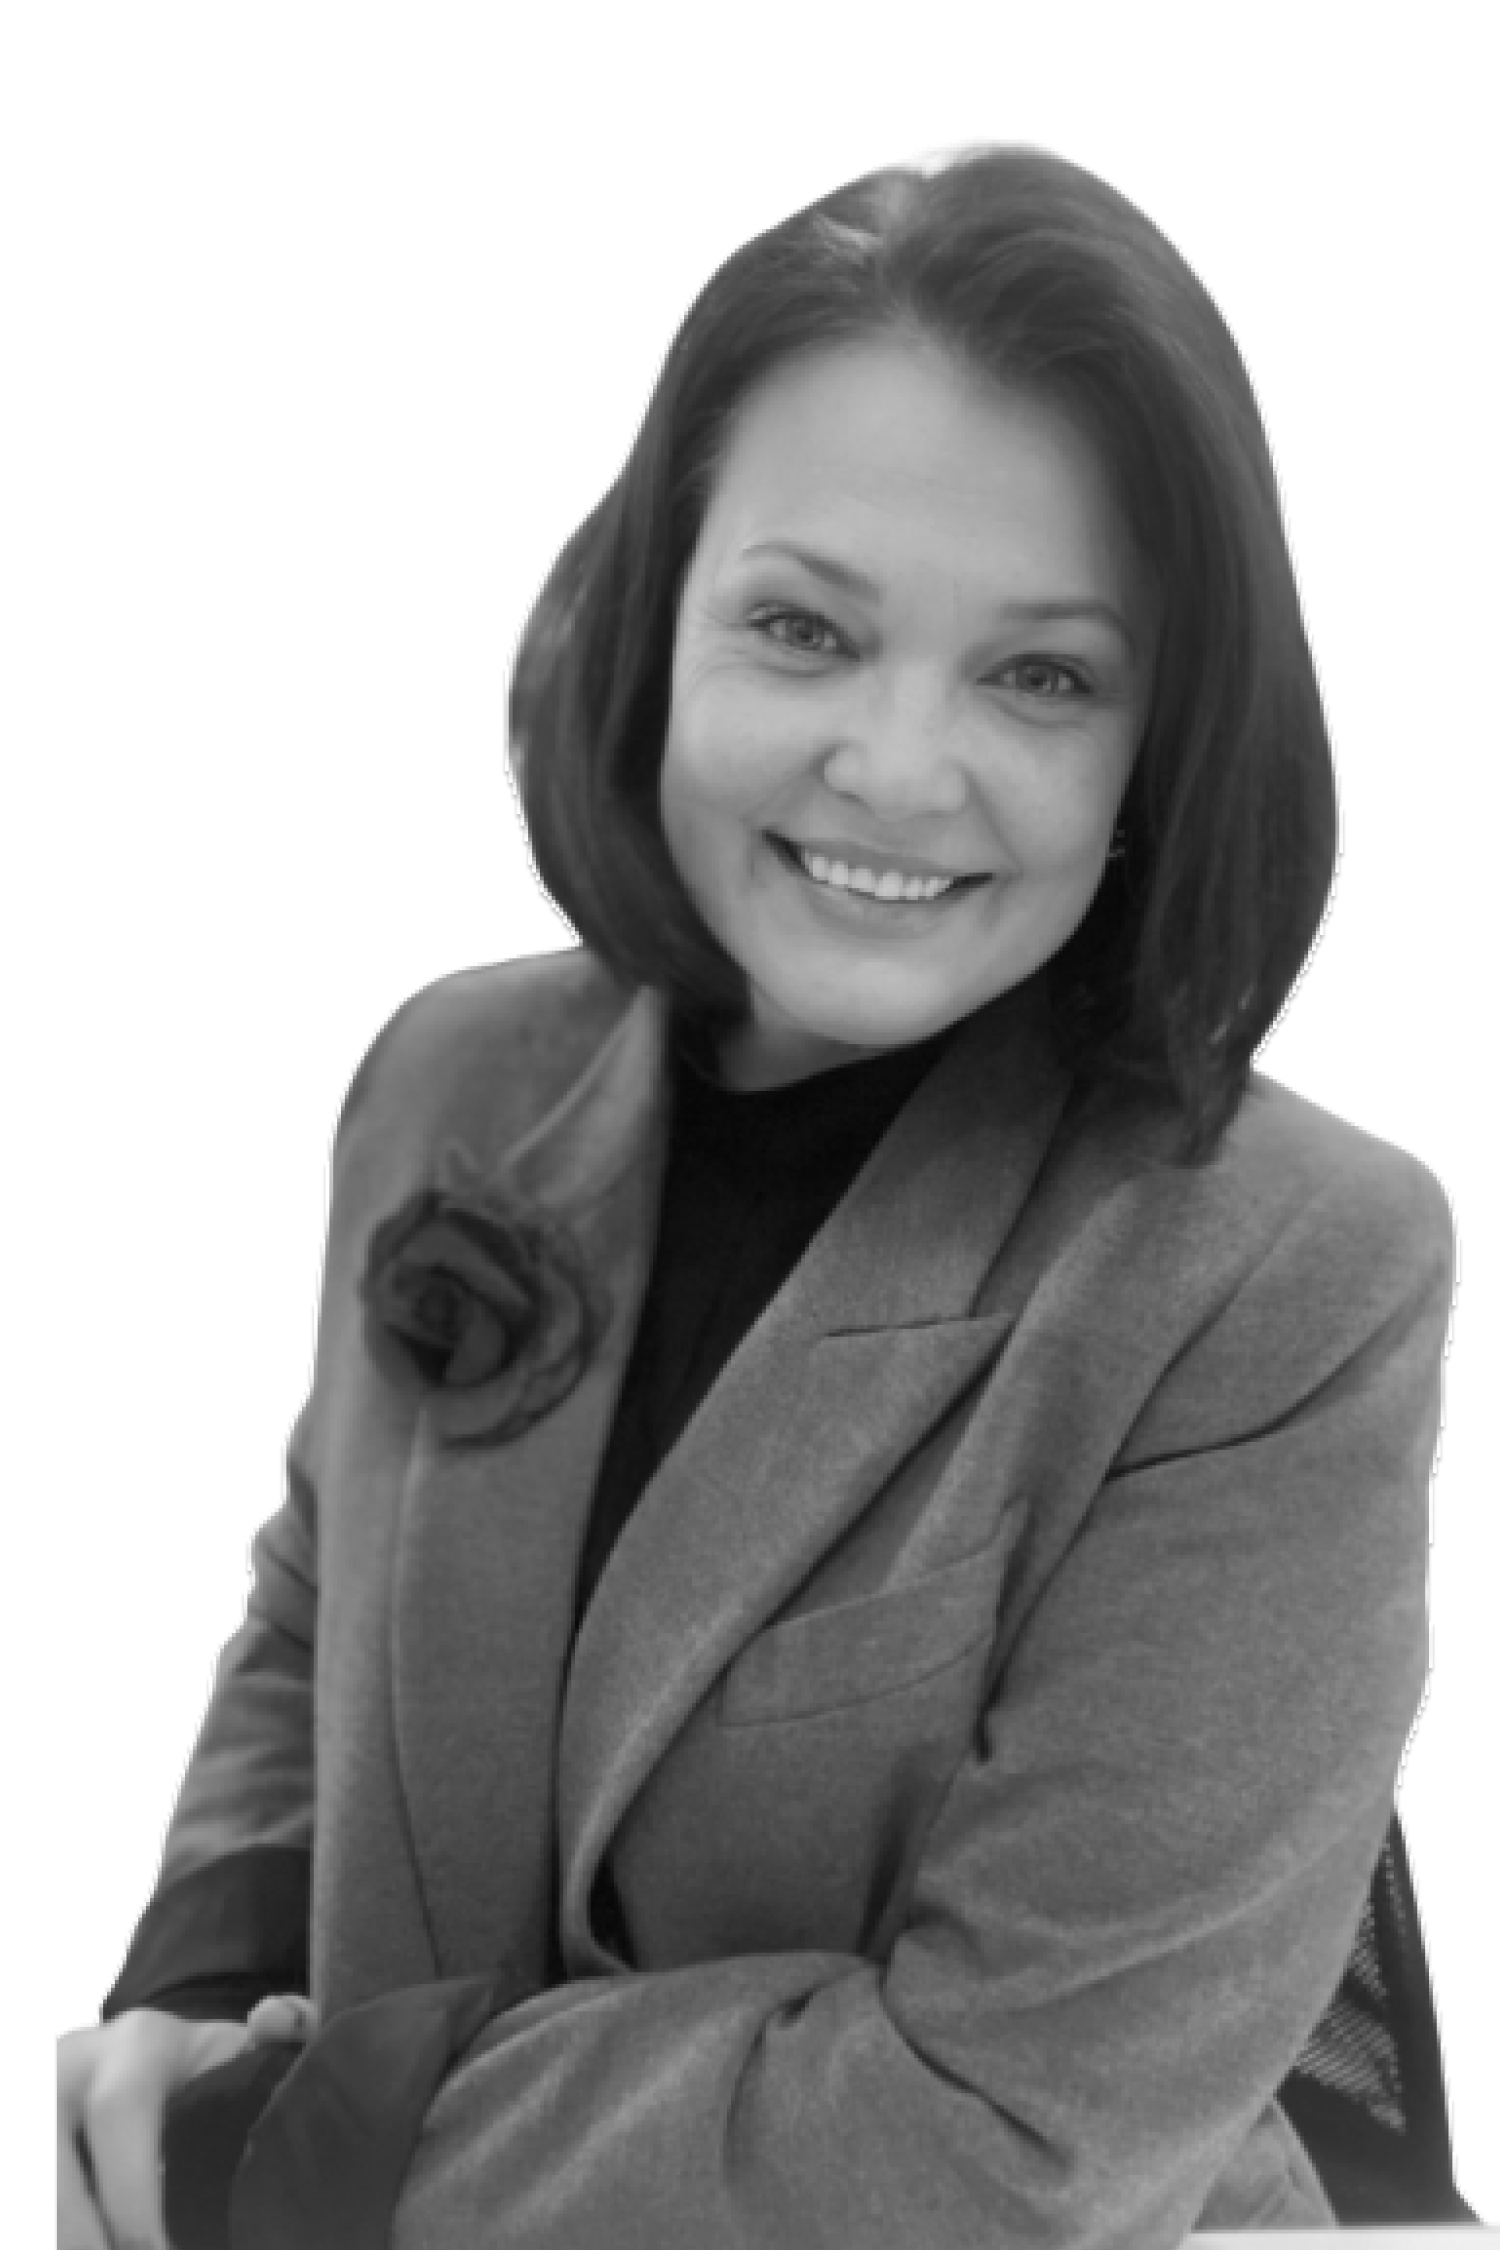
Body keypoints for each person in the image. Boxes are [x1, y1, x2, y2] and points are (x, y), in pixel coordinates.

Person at [58, 145, 1463, 2249]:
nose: (897, 768)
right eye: (806, 629)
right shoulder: (455, 1077)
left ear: (1160, 748)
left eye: (1043, 676)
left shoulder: (1283, 1267)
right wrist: (188, 1995)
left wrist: (286, 2140)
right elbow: (317, 1604)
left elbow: (1019, 2135)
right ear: (654, 623)